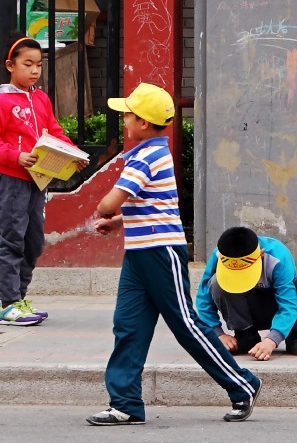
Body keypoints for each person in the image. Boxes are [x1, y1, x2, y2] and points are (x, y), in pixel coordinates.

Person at [88, 82, 261, 426]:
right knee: (128, 325)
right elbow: (155, 204)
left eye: (128, 114)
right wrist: (120, 222)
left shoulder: (145, 157)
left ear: (143, 123)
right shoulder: (151, 153)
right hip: (140, 254)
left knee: (186, 325)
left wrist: (106, 211)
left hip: (159, 253)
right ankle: (125, 404)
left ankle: (243, 383)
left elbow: (109, 202)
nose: (124, 119)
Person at [0, 34, 84, 325]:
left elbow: (54, 132)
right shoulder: (3, 99)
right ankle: (8, 302)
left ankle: (18, 299)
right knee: (11, 238)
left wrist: (74, 153)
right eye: (28, 64)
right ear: (10, 65)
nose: (34, 70)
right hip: (11, 180)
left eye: (38, 64)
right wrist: (16, 156)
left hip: (38, 180)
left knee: (33, 241)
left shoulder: (41, 98)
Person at [196, 226, 297, 358]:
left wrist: (272, 340)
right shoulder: (220, 254)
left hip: (280, 310)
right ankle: (246, 335)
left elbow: (289, 303)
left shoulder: (278, 254)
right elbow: (204, 297)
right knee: (216, 281)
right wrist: (217, 334)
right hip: (248, 312)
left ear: (261, 254)